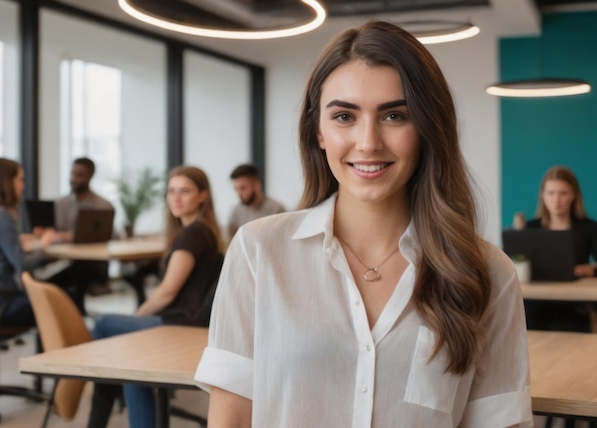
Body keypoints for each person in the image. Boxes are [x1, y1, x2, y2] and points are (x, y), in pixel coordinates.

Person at [195, 21, 532, 427]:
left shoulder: (488, 274)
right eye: (343, 116)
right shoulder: (258, 250)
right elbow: (230, 419)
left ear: (427, 129)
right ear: (317, 131)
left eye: (394, 115)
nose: (369, 142)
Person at [86, 165, 225, 428]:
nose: (176, 198)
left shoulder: (192, 234)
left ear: (203, 196)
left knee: (105, 325)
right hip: (192, 322)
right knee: (127, 364)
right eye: (171, 191)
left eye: (185, 191)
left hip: (180, 323)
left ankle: (96, 418)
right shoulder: (204, 232)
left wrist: (135, 318)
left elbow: (166, 293)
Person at [0, 158, 56, 326]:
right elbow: (23, 264)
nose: (23, 186)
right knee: (56, 298)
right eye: (20, 180)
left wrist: (20, 239)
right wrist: (45, 245)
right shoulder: (1, 216)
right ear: (6, 182)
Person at [524, 165, 597, 332]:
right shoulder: (530, 228)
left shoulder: (589, 228)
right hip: (535, 303)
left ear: (574, 196)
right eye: (550, 193)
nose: (556, 199)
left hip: (573, 304)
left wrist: (586, 271)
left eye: (563, 193)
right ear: (543, 196)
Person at [48, 157, 115, 308]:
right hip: (61, 259)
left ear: (90, 177)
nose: (74, 179)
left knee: (67, 276)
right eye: (73, 174)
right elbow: (52, 232)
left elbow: (112, 235)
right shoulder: (60, 203)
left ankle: (73, 318)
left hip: (91, 262)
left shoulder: (102, 206)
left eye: (80, 175)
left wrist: (72, 236)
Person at [227, 164, 285, 239]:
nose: (239, 194)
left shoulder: (276, 210)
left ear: (256, 184)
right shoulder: (236, 211)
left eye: (243, 188)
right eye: (236, 189)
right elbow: (231, 242)